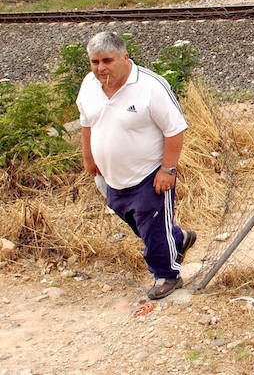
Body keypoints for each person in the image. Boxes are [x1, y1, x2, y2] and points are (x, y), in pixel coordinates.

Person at [76, 31, 195, 300]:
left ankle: (167, 275)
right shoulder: (89, 84)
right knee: (138, 222)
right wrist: (88, 156)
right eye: (95, 62)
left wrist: (168, 169)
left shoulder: (151, 87)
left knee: (151, 227)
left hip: (149, 174)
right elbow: (86, 121)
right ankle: (177, 239)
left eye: (107, 60)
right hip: (110, 176)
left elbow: (175, 129)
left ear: (124, 57)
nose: (100, 68)